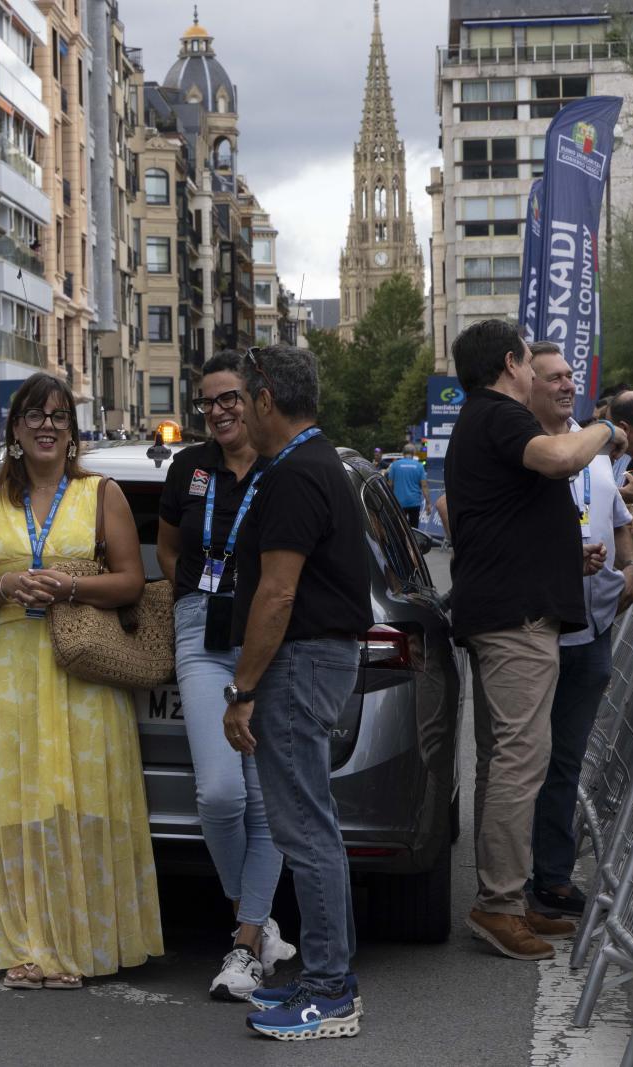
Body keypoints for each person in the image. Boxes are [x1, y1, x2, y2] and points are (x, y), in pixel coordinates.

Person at [0, 371, 163, 990]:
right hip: (13, 667)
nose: (48, 426)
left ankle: (80, 946)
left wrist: (69, 585)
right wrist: (6, 586)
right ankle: (24, 944)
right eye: (36, 416)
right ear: (14, 430)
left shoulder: (102, 494)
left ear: (72, 432)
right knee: (17, 809)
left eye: (60, 417)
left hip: (84, 666)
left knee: (86, 803)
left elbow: (131, 582)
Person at [444, 319, 623, 962]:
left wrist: (560, 556)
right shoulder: (499, 414)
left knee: (503, 763)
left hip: (507, 608)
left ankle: (508, 900)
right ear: (514, 362)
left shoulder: (482, 419)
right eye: (531, 362)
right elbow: (561, 457)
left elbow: (500, 519)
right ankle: (499, 905)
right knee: (521, 764)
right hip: (515, 622)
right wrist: (608, 429)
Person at [215, 345, 369, 1040]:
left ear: (267, 398)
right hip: (314, 660)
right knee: (312, 827)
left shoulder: (294, 474)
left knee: (305, 831)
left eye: (244, 396)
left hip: (300, 663)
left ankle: (329, 990)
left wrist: (241, 687)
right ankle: (327, 981)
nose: (239, 408)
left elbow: (277, 594)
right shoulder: (314, 463)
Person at [155, 352, 293, 1001]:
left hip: (266, 634)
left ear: (256, 397)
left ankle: (244, 941)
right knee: (219, 793)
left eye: (230, 397)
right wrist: (194, 596)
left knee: (265, 799)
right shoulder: (189, 466)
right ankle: (257, 916)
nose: (219, 409)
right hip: (199, 631)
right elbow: (170, 546)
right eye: (208, 400)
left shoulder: (281, 467)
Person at [523, 343, 633, 919]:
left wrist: (632, 567)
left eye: (571, 376)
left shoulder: (594, 450)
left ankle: (552, 878)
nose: (568, 385)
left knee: (566, 761)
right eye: (554, 378)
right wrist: (563, 559)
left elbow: (619, 521)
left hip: (592, 632)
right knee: (522, 762)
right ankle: (508, 881)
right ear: (529, 386)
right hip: (536, 632)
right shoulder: (524, 448)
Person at [386, 447, 428, 530]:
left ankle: (402, 542)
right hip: (414, 502)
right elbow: (424, 486)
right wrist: (429, 503)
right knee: (414, 529)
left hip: (399, 503)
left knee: (399, 528)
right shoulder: (419, 466)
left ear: (403, 453)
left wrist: (387, 500)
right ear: (413, 453)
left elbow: (390, 485)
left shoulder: (395, 465)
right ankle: (414, 542)